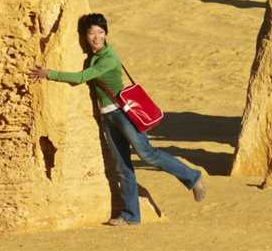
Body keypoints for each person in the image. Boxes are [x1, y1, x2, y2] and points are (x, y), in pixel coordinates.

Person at [29, 13, 206, 225]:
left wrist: (49, 73)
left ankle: (192, 177)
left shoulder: (109, 58)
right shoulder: (92, 58)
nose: (96, 37)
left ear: (106, 34)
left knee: (147, 154)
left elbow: (81, 78)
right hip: (107, 117)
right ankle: (132, 216)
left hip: (123, 114)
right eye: (92, 32)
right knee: (122, 166)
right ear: (85, 35)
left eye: (100, 32)